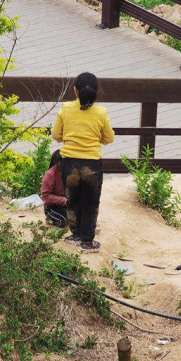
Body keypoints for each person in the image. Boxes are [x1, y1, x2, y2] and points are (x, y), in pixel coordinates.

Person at [51, 72, 114, 253]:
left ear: (75, 91)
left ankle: (75, 235)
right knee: (90, 203)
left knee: (73, 200)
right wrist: (95, 140)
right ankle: (87, 241)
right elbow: (109, 138)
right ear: (96, 92)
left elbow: (56, 135)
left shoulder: (65, 109)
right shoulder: (101, 113)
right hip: (92, 164)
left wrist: (70, 138)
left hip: (69, 162)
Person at [42, 150, 67, 228]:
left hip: (68, 203)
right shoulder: (50, 174)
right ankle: (50, 218)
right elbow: (45, 195)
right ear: (59, 162)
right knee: (63, 221)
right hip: (52, 206)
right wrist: (64, 200)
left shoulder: (71, 171)